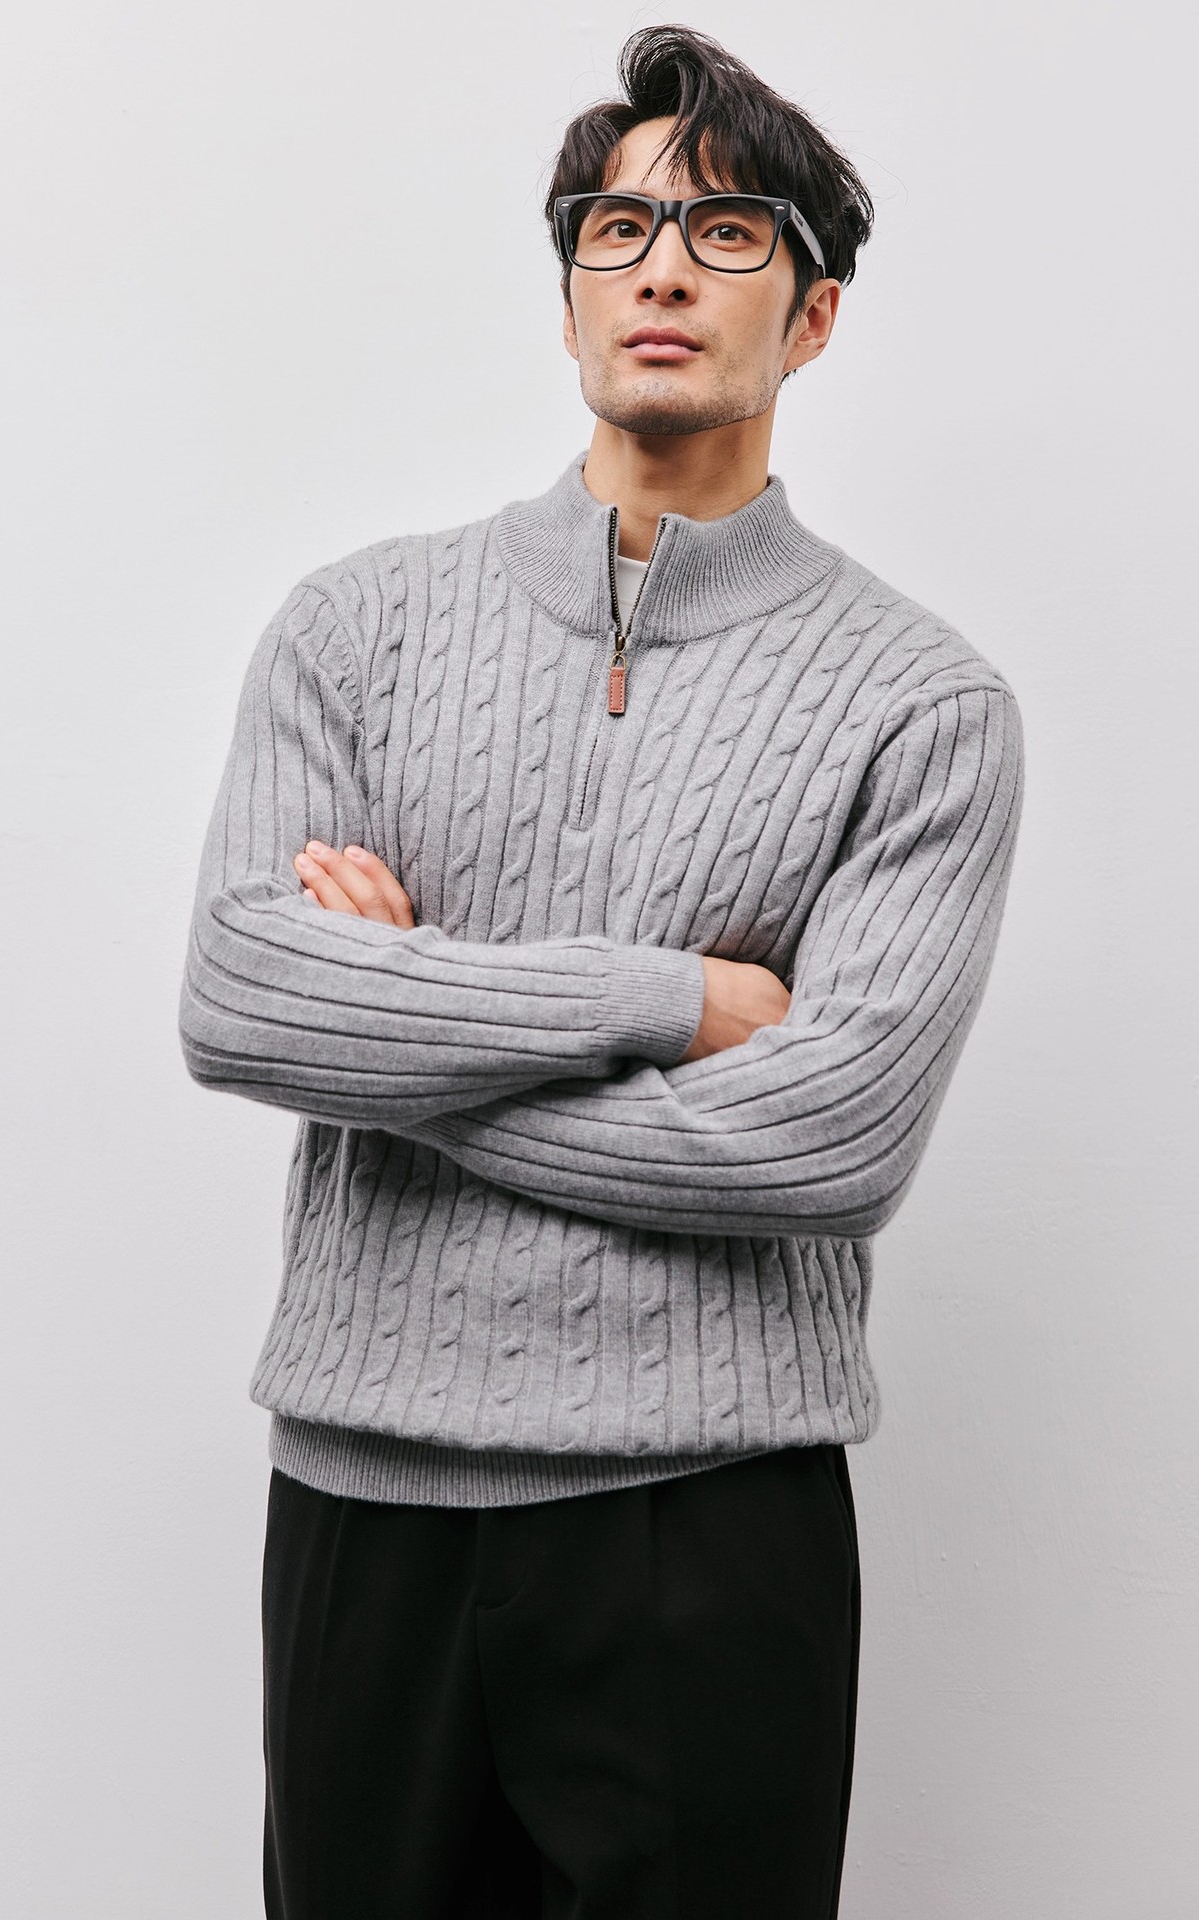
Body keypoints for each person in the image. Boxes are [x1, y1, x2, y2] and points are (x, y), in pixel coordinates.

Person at [178, 23, 1025, 1919]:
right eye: (618, 227)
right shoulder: (355, 628)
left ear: (813, 317)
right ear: (566, 294)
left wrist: (403, 1033)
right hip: (365, 1504)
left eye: (729, 233)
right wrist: (673, 1001)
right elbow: (241, 998)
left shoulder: (926, 704)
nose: (661, 268)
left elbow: (828, 1143)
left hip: (709, 1527)